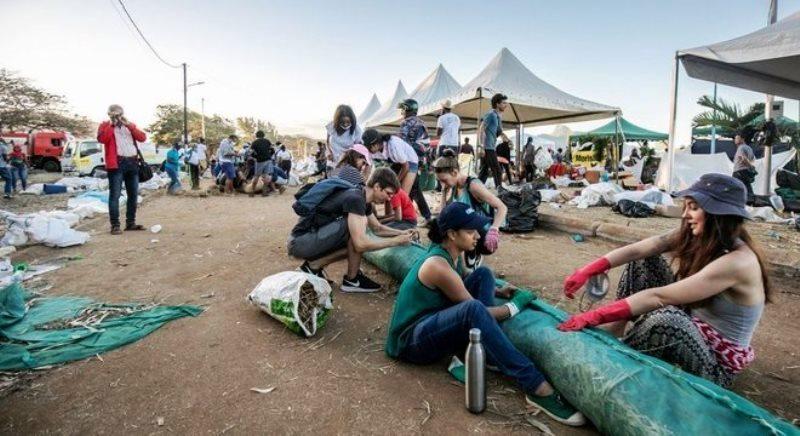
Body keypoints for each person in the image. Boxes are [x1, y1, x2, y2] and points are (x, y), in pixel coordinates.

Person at [558, 174, 769, 387]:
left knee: (668, 320)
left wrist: (593, 316)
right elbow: (641, 249)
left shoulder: (738, 262)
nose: (685, 214)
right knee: (643, 261)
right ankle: (615, 333)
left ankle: (618, 357)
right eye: (685, 206)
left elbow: (659, 297)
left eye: (693, 207)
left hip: (714, 365)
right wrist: (588, 270)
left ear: (718, 215)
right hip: (693, 324)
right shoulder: (702, 236)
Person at [385, 202, 585, 426]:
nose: (477, 236)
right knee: (474, 309)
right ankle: (535, 385)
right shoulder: (437, 266)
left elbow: (463, 282)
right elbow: (476, 309)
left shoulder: (452, 253)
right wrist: (515, 305)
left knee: (483, 273)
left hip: (432, 321)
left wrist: (498, 290)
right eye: (470, 231)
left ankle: (489, 353)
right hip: (410, 343)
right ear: (451, 234)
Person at [288, 167, 416, 293]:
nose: (389, 198)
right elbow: (360, 244)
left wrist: (402, 233)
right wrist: (396, 241)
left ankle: (314, 266)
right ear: (377, 186)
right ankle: (352, 280)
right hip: (301, 243)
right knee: (358, 231)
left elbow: (378, 228)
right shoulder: (356, 199)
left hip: (306, 239)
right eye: (388, 193)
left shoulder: (361, 197)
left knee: (358, 230)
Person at [433, 150, 507, 270]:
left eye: (444, 180)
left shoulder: (473, 186)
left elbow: (502, 207)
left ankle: (472, 256)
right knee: (442, 228)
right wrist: (443, 192)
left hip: (481, 231)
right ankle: (459, 262)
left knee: (453, 237)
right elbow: (443, 215)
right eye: (440, 181)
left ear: (455, 172)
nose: (443, 184)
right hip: (466, 228)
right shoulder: (452, 186)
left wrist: (494, 229)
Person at [362, 128, 432, 224]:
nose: (368, 150)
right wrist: (363, 183)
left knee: (398, 193)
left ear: (376, 144)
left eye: (369, 147)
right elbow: (368, 167)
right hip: (396, 163)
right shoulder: (373, 150)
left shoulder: (393, 145)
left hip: (409, 162)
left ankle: (402, 221)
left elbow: (406, 166)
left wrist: (395, 183)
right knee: (389, 191)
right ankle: (389, 218)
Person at [97, 104, 147, 234]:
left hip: (132, 162)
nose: (117, 116)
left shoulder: (129, 125)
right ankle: (115, 225)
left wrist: (129, 125)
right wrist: (111, 124)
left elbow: (142, 137)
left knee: (133, 195)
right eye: (114, 114)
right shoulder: (105, 125)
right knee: (115, 195)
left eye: (119, 114)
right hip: (116, 163)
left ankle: (130, 223)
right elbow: (103, 139)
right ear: (109, 114)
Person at [478, 93, 510, 189]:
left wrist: (506, 138)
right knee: (497, 170)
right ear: (497, 104)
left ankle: (475, 188)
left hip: (492, 146)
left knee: (484, 171)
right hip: (487, 147)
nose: (506, 105)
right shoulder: (491, 114)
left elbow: (499, 131)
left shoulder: (497, 116)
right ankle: (500, 191)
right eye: (503, 103)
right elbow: (482, 128)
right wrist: (481, 147)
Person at [326, 105, 362, 171]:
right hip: (332, 163)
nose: (345, 124)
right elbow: (327, 141)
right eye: (343, 122)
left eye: (348, 122)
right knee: (332, 180)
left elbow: (358, 148)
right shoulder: (331, 126)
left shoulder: (356, 130)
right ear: (337, 120)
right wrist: (329, 152)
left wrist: (347, 156)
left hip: (347, 165)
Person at [732, 129, 756, 200]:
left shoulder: (741, 147)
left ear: (742, 139)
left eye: (737, 138)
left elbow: (743, 159)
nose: (735, 140)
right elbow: (753, 159)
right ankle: (752, 200)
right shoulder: (749, 148)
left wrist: (750, 166)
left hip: (739, 171)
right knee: (747, 188)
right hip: (745, 171)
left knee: (735, 187)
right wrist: (751, 167)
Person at [249, 131, 274, 196]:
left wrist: (255, 157)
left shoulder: (254, 142)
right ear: (263, 135)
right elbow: (272, 150)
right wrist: (269, 155)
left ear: (256, 135)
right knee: (266, 176)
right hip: (268, 160)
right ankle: (264, 192)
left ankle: (252, 192)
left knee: (256, 176)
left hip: (259, 161)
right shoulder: (267, 141)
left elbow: (251, 152)